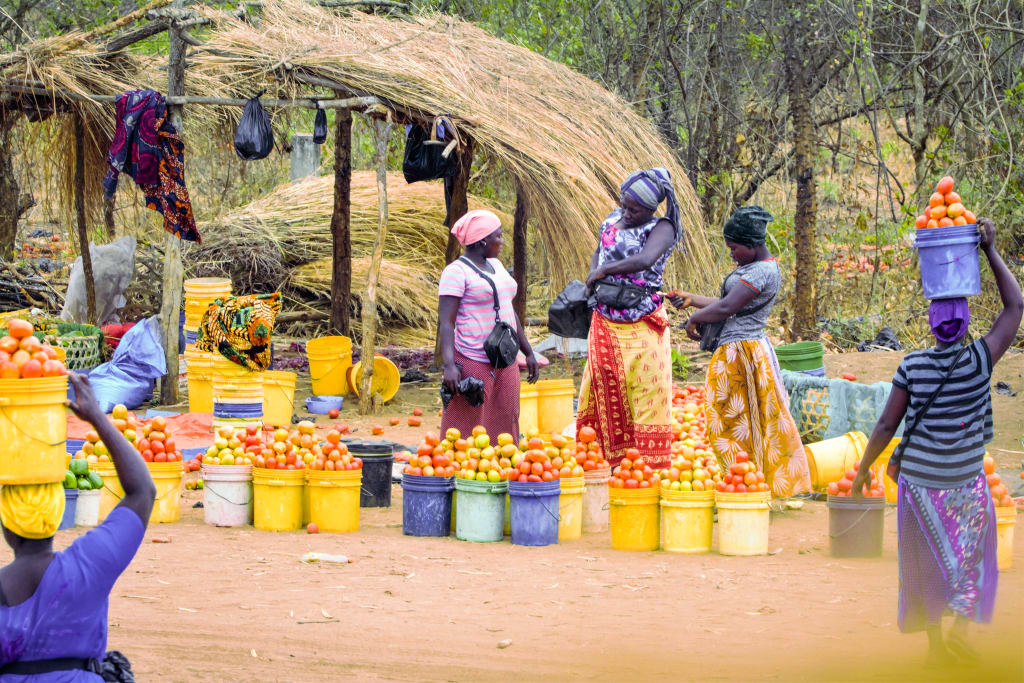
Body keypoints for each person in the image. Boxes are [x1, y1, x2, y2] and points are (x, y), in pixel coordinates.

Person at [851, 218, 1021, 666]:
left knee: (923, 564)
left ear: (930, 322)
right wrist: (990, 250)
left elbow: (887, 425)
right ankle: (961, 630)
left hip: (921, 488)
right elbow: (1016, 306)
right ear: (966, 321)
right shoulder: (981, 359)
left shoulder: (912, 365)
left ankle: (934, 646)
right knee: (972, 558)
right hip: (966, 485)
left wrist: (867, 465)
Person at [0, 373, 156, 679]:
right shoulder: (88, 566)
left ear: (6, 522)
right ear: (58, 513)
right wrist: (96, 417)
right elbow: (142, 491)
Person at [670, 206, 811, 496]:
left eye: (734, 248)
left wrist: (695, 319)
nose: (731, 254)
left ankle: (753, 484)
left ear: (751, 244)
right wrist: (692, 300)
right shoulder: (752, 269)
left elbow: (727, 307)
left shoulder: (763, 271)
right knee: (739, 421)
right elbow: (731, 302)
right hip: (738, 350)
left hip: (743, 353)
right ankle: (745, 482)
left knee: (735, 421)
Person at [577, 168, 683, 469]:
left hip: (642, 319)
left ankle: (645, 466)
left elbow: (645, 260)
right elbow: (599, 249)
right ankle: (605, 461)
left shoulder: (662, 228)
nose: (627, 212)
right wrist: (593, 271)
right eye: (624, 204)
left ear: (651, 209)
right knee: (603, 384)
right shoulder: (613, 218)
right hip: (606, 317)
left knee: (647, 387)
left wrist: (605, 271)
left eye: (634, 209)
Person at [438, 209, 539, 438]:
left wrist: (528, 352)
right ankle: (459, 470)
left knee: (506, 418)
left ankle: (503, 470)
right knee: (466, 424)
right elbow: (446, 323)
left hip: (505, 358)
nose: (502, 242)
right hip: (473, 358)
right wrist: (450, 366)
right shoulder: (456, 272)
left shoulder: (498, 267)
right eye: (498, 236)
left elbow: (508, 313)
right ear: (482, 240)